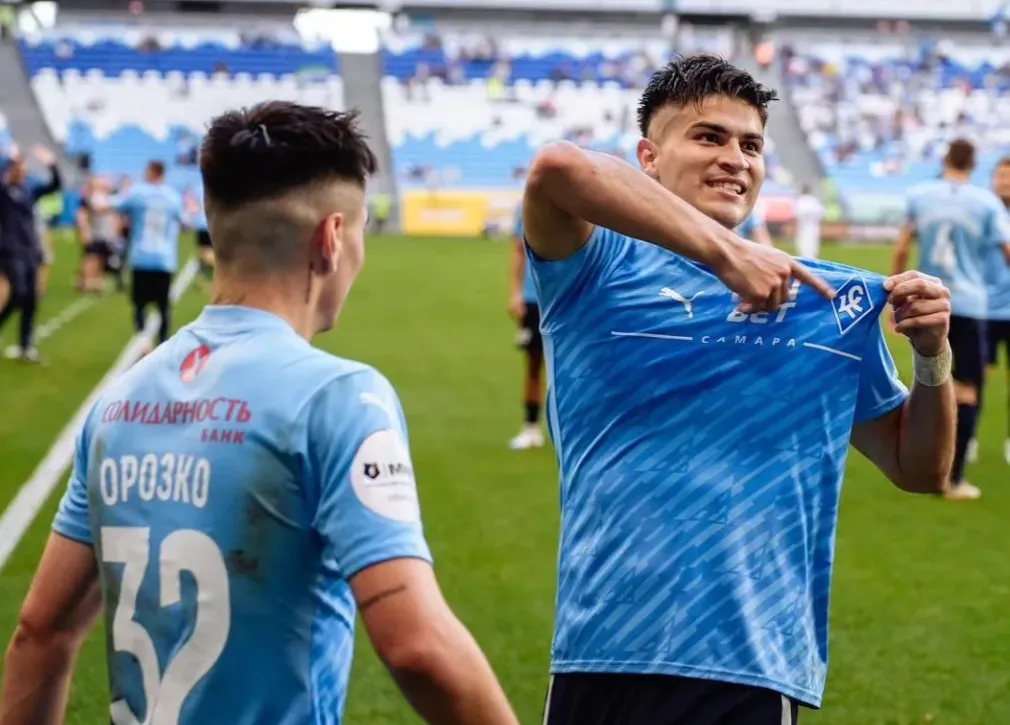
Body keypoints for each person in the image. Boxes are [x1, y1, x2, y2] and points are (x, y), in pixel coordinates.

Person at [0, 102, 521, 724]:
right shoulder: (340, 398)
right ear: (330, 239)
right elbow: (417, 648)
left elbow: (40, 632)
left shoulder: (120, 400)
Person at [524, 54, 955, 725]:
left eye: (751, 144)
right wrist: (723, 253)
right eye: (709, 137)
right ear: (649, 155)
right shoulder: (596, 266)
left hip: (751, 663)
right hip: (602, 649)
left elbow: (919, 466)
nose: (736, 158)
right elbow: (557, 169)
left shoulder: (826, 300)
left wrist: (932, 356)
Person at [892, 139, 1010, 500]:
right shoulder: (986, 202)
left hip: (926, 300)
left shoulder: (920, 194)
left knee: (928, 380)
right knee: (968, 388)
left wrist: (892, 299)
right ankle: (953, 478)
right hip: (972, 304)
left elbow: (901, 248)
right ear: (974, 164)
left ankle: (917, 459)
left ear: (944, 160)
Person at [101, 160, 187, 350]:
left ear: (152, 172)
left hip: (141, 257)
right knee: (164, 307)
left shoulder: (138, 193)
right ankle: (162, 343)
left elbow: (112, 205)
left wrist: (98, 199)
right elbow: (185, 222)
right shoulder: (173, 197)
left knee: (140, 304)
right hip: (164, 260)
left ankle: (143, 341)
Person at [0, 143, 61, 363]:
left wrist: (52, 164)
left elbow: (55, 186)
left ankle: (26, 347)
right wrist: (12, 157)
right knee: (18, 294)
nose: (22, 171)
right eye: (18, 168)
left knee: (30, 299)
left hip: (29, 251)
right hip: (9, 251)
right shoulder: (4, 191)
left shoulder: (29, 191)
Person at [973, 156, 1010, 464]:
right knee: (974, 379)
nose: (1006, 182)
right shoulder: (982, 211)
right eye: (1002, 176)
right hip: (983, 308)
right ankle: (968, 436)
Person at [507, 200, 545, 449]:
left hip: (568, 297)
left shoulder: (582, 201)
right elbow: (519, 250)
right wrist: (515, 292)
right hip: (534, 297)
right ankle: (531, 427)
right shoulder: (527, 205)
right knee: (533, 366)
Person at [794, 184, 825, 259]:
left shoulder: (809, 200)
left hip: (810, 225)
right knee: (805, 243)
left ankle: (809, 258)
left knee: (810, 243)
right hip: (805, 226)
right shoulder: (810, 200)